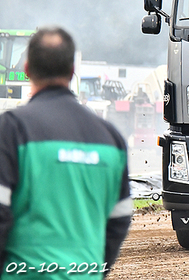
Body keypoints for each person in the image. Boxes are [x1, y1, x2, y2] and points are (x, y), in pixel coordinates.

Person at [0, 27, 131, 278]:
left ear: (27, 69)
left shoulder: (12, 128)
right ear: (72, 71)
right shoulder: (111, 138)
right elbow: (121, 217)